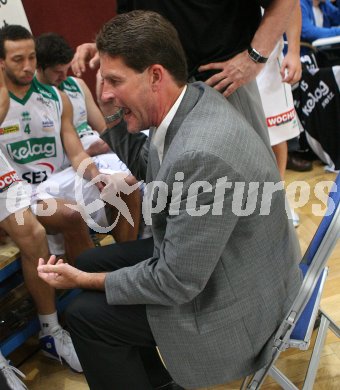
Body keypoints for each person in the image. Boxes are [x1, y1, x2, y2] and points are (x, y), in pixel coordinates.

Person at [38, 11, 302, 390]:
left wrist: (86, 281)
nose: (105, 92)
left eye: (114, 81)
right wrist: (113, 109)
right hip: (233, 268)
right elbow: (151, 163)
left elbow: (176, 282)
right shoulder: (194, 99)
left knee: (84, 314)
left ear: (155, 76)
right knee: (92, 257)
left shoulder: (201, 155)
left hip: (236, 309)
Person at [0, 24, 105, 375]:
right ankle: (77, 313)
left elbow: (75, 149)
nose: (28, 65)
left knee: (124, 190)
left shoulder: (54, 96)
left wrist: (95, 175)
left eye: (32, 57)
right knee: (56, 223)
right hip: (24, 189)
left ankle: (102, 294)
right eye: (18, 59)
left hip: (48, 182)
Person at [72, 0, 299, 155]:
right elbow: (134, 21)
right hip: (163, 91)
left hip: (222, 83)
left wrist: (254, 58)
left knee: (250, 191)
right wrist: (108, 52)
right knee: (175, 187)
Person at [35, 32, 141, 242]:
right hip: (74, 158)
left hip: (98, 149)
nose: (63, 77)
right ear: (39, 68)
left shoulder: (77, 85)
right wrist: (88, 152)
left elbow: (103, 128)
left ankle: (135, 250)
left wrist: (107, 141)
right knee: (129, 180)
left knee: (140, 161)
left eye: (66, 70)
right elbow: (60, 152)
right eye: (57, 72)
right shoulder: (37, 98)